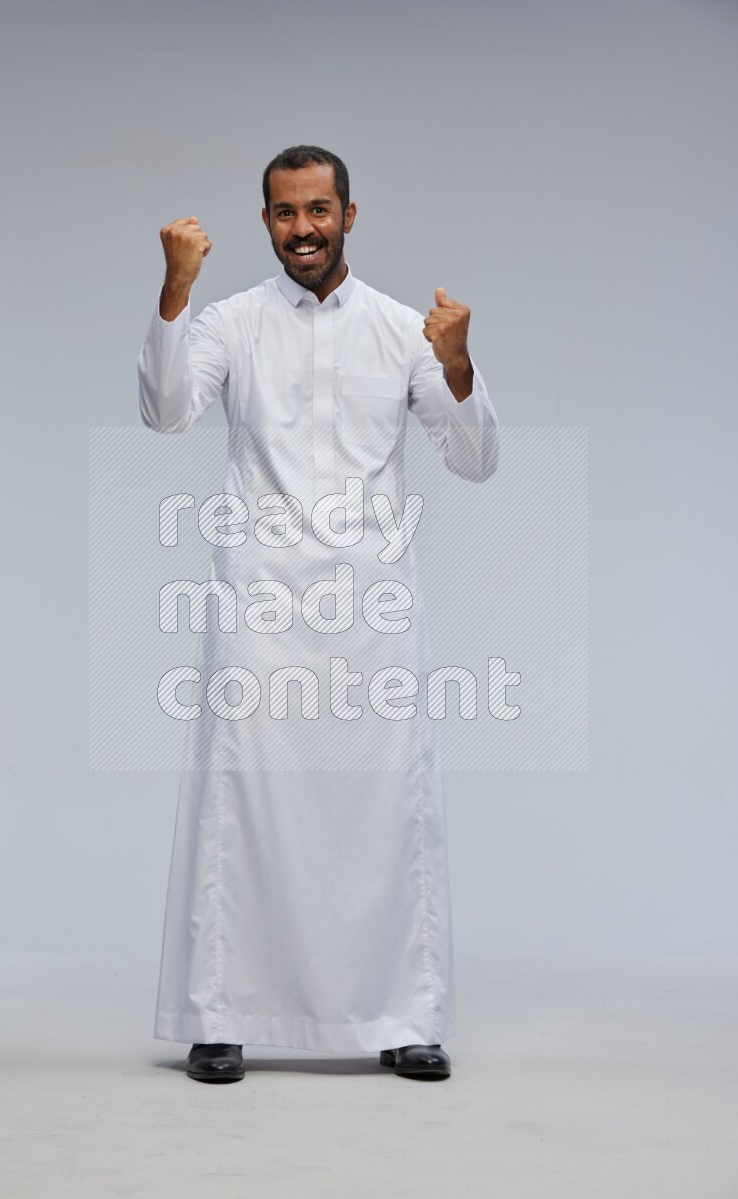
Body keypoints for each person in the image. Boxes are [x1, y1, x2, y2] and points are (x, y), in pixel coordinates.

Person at [138, 145, 500, 1083]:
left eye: (319, 210)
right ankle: (221, 1013)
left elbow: (474, 459)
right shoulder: (231, 321)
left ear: (350, 214)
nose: (304, 228)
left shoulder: (399, 330)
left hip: (372, 612)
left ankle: (404, 1016)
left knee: (387, 807)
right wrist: (175, 290)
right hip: (259, 607)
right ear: (265, 222)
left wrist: (458, 363)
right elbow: (167, 409)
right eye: (285, 212)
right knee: (240, 804)